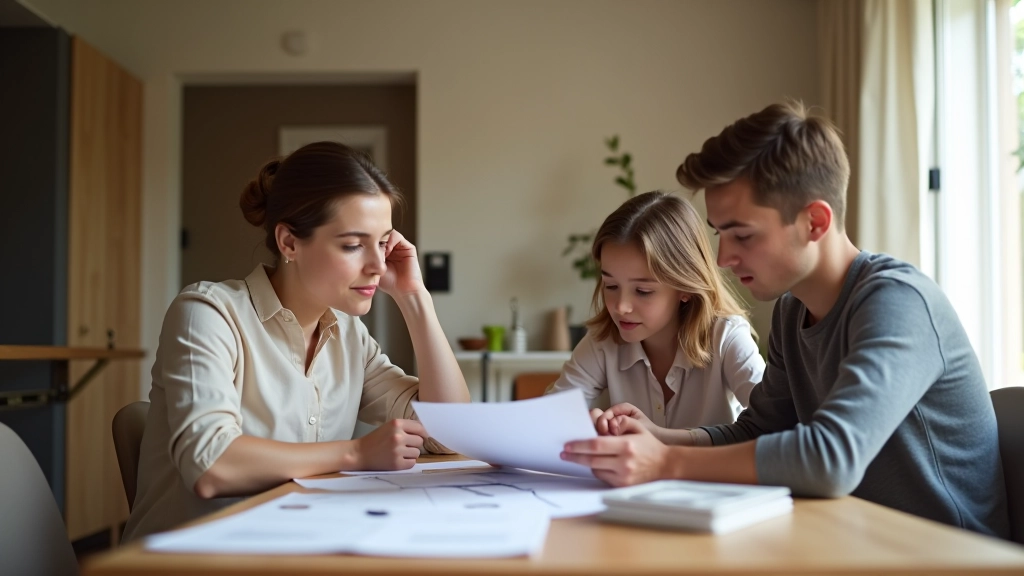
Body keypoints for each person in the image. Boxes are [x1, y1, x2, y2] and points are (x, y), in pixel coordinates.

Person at [561, 102, 1010, 538]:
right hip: (853, 542)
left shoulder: (898, 302)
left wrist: (664, 463)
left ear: (814, 221)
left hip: (944, 558)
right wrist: (661, 439)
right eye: (720, 234)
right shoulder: (793, 311)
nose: (723, 259)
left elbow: (830, 460)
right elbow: (758, 430)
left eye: (743, 235)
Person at [123, 142, 470, 540]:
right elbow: (210, 467)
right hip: (195, 559)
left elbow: (451, 432)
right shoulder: (207, 313)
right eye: (354, 245)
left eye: (383, 243)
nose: (377, 265)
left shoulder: (350, 336)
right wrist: (356, 453)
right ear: (289, 243)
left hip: (296, 544)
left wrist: (415, 299)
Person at [547, 191, 764, 441]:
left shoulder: (727, 336)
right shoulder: (603, 340)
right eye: (611, 286)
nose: (621, 307)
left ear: (685, 288)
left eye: (643, 291)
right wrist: (584, 426)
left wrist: (659, 436)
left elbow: (778, 427)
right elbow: (546, 419)